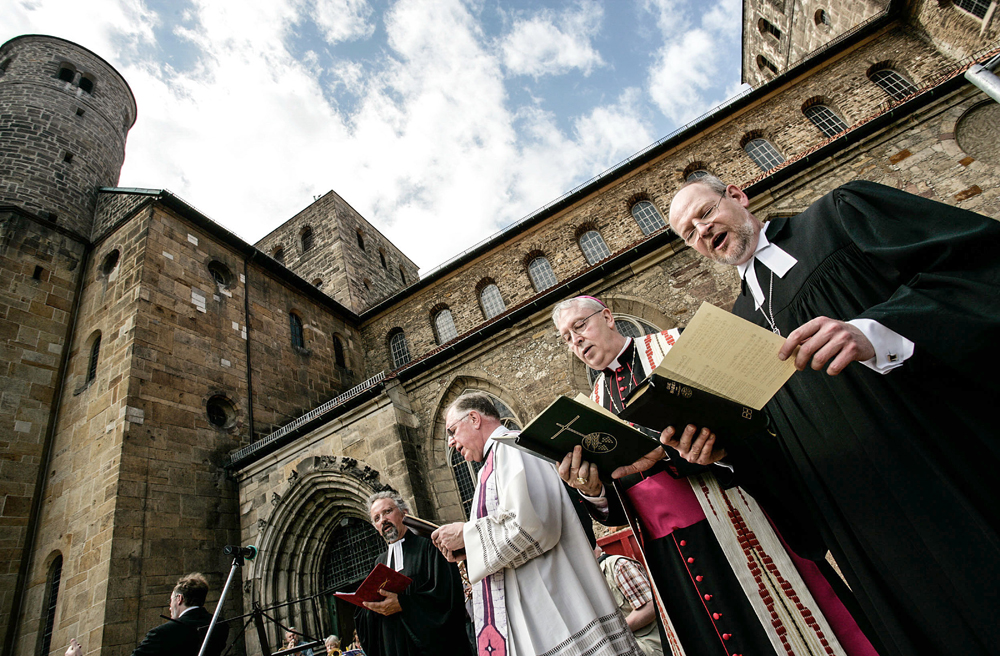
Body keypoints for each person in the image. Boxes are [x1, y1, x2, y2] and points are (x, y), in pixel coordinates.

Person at [665, 176, 1000, 656]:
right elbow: (777, 443)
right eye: (689, 234)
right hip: (869, 525)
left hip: (947, 463)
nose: (701, 231)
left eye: (704, 214)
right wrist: (724, 453)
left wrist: (878, 331)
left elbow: (979, 267)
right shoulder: (736, 326)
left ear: (737, 196)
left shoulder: (837, 217)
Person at [554, 295, 877, 656]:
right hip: (668, 556)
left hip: (728, 514)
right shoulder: (593, 403)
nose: (576, 340)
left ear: (609, 317)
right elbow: (617, 507)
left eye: (580, 326)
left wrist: (685, 452)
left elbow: (748, 422)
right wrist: (593, 491)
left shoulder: (677, 346)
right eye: (567, 337)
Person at [431, 392, 642, 656]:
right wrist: (468, 547)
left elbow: (533, 525)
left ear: (474, 418)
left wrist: (467, 534)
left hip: (555, 605)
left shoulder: (513, 448)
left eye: (452, 431)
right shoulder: (493, 462)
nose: (451, 442)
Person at [354, 491, 471, 656]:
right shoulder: (378, 563)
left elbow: (448, 597)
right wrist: (369, 607)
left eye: (388, 512)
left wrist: (404, 604)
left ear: (404, 513)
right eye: (377, 518)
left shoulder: (430, 546)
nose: (383, 520)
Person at [65, 573, 229, 656]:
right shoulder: (220, 626)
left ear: (179, 599)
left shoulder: (162, 634)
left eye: (170, 599)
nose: (169, 605)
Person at [593, 547, 662, 656]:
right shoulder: (588, 582)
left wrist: (613, 633)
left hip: (650, 647)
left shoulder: (618, 566)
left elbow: (650, 607)